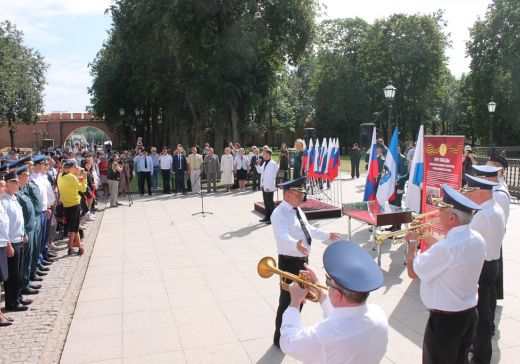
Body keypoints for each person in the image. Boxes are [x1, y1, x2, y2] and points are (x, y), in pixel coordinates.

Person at [404, 184, 485, 364]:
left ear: (452, 217)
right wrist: (425, 236)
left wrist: (411, 243)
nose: (437, 215)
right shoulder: (477, 238)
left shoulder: (447, 247)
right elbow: (451, 256)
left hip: (445, 323)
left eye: (441, 211)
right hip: (469, 316)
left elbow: (412, 272)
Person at [280, 240, 388, 363]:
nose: (327, 286)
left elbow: (287, 342)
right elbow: (345, 319)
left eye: (329, 282)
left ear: (337, 295)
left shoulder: (323, 336)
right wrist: (317, 286)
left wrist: (294, 302)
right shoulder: (379, 313)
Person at [270, 176, 340, 347]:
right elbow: (282, 237)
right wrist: (296, 244)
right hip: (289, 262)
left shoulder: (296, 209)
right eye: (297, 194)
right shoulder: (279, 214)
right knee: (287, 300)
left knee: (301, 299)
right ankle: (279, 339)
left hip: (302, 260)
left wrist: (327, 235)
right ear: (287, 195)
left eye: (301, 194)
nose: (301, 197)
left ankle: (292, 331)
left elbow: (308, 229)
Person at [463, 174, 505, 364]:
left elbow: (464, 239)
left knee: (481, 315)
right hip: (491, 264)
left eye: (470, 191)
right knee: (486, 309)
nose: (468, 195)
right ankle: (481, 349)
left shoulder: (484, 215)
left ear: (480, 193)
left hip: (483, 267)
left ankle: (480, 355)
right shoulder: (493, 208)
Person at [2, 171, 29, 312]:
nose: (18, 184)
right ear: (7, 185)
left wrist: (23, 233)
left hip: (19, 239)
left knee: (19, 272)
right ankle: (11, 302)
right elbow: (4, 226)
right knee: (12, 275)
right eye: (15, 182)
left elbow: (19, 219)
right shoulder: (4, 201)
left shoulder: (14, 198)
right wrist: (8, 244)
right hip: (11, 242)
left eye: (18, 182)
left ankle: (17, 297)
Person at [486, 154, 509, 305]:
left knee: (490, 277)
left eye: (490, 167)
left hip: (490, 238)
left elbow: (498, 220)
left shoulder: (499, 193)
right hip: (488, 237)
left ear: (500, 171)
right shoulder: (494, 187)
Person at [15, 165, 38, 298]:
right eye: (26, 175)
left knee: (28, 258)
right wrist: (24, 232)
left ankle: (26, 282)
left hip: (29, 227)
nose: (28, 177)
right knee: (24, 260)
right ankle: (24, 285)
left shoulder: (22, 192)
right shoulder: (17, 195)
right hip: (24, 231)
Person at [58, 160, 88, 255]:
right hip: (74, 204)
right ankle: (70, 247)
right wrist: (84, 178)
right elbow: (82, 189)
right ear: (72, 167)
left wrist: (77, 175)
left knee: (75, 227)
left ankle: (80, 247)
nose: (76, 169)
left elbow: (71, 185)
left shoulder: (60, 175)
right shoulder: (71, 177)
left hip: (66, 204)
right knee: (73, 228)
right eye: (75, 167)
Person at [256, 148, 278, 224]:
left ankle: (273, 219)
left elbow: (272, 177)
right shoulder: (265, 163)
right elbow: (259, 171)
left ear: (268, 154)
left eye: (264, 154)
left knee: (270, 203)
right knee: (266, 202)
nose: (263, 155)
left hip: (269, 187)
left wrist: (268, 187)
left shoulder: (273, 164)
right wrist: (258, 164)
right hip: (264, 185)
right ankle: (267, 216)